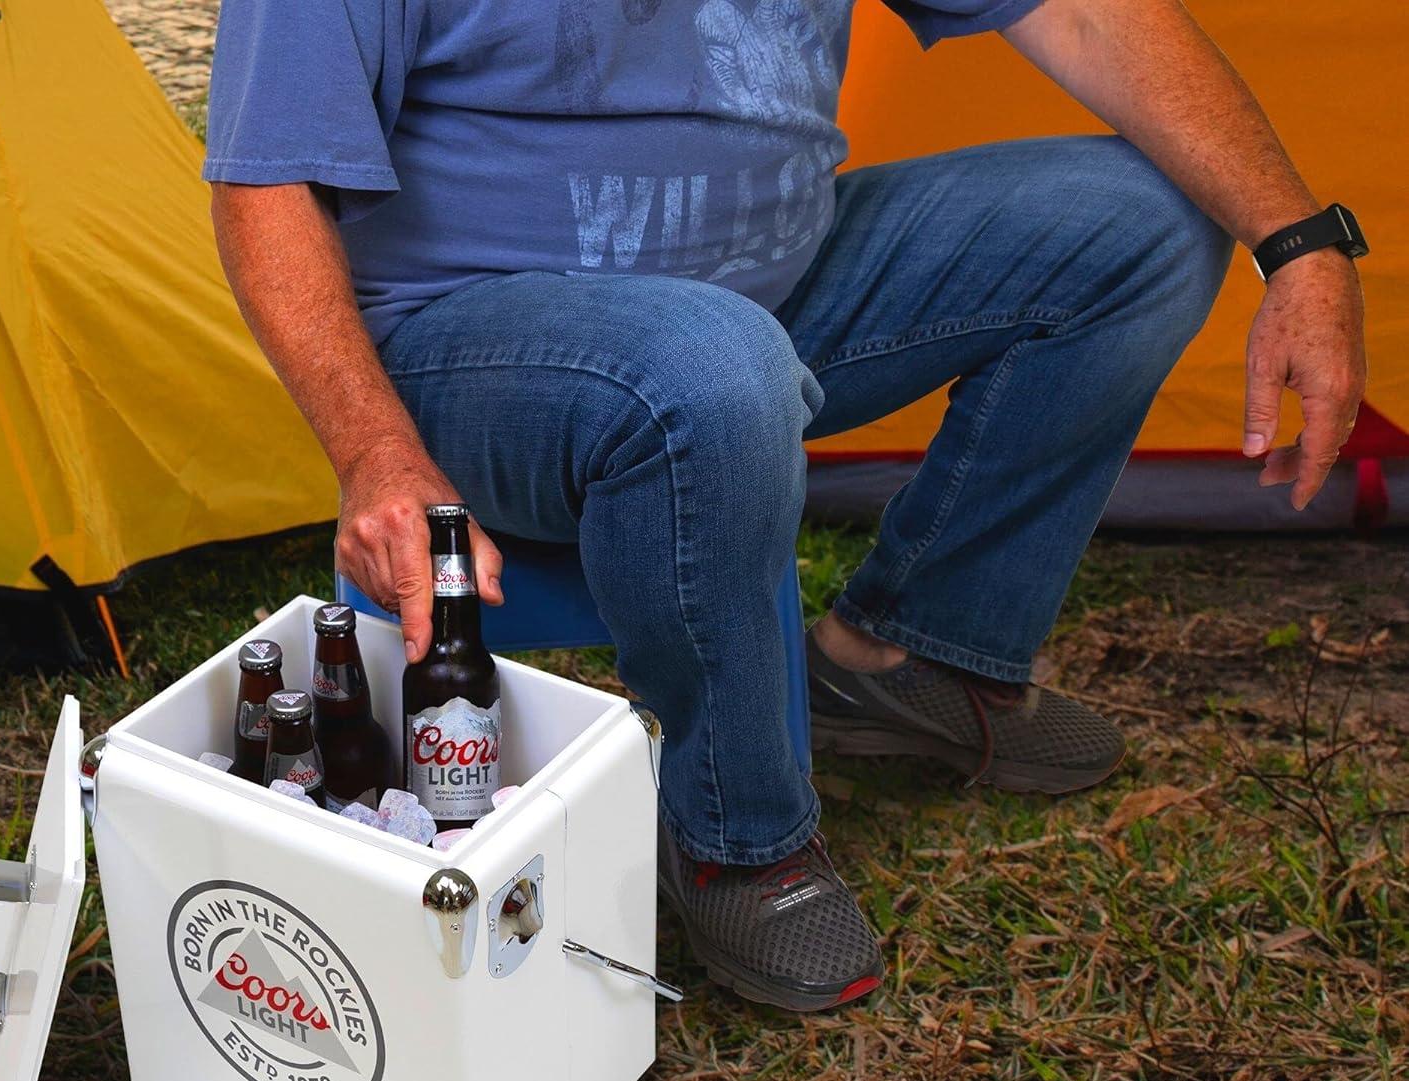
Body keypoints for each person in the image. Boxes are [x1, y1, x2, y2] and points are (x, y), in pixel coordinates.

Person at [204, 0, 1367, 1013]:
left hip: (774, 288)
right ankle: (734, 837)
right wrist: (376, 452)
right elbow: (265, 186)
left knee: (1138, 225)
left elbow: (1085, 11)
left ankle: (910, 655)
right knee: (714, 368)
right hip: (472, 343)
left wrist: (1301, 244)